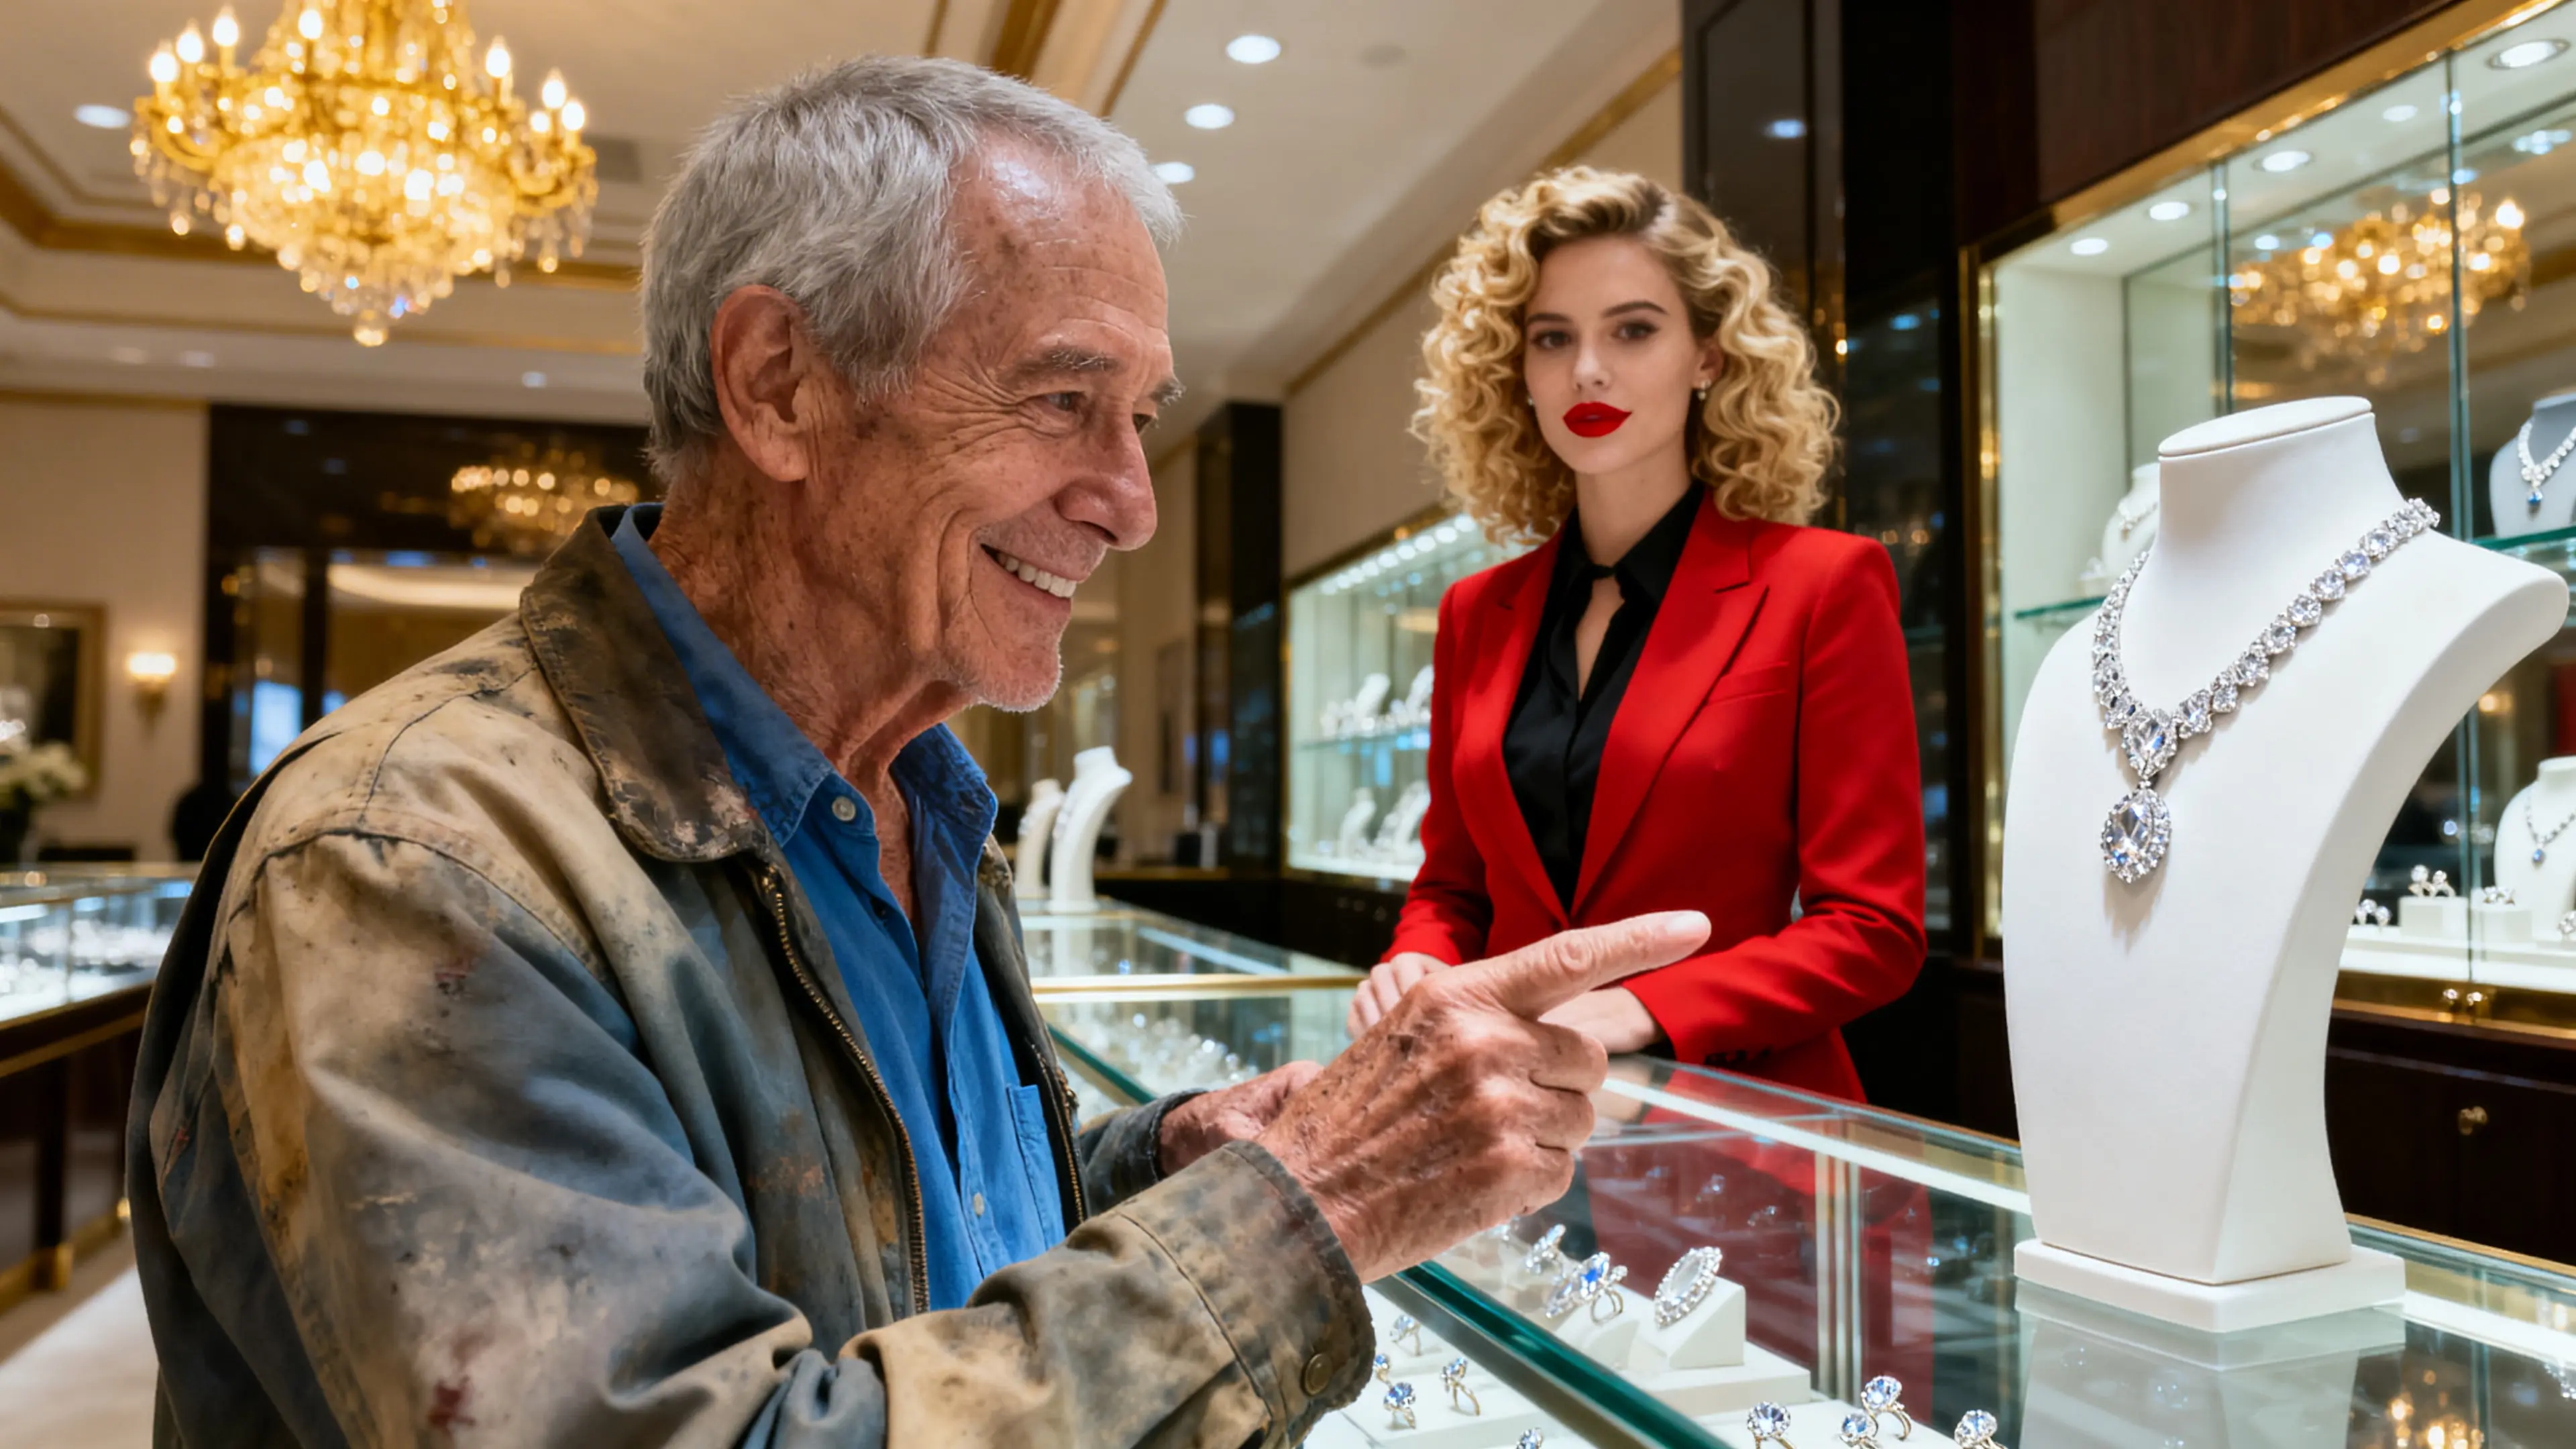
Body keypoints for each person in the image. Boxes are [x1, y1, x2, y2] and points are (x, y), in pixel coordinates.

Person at [123, 60, 1712, 1448]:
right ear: (780, 385)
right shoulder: (416, 870)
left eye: (1141, 413)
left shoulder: (913, 796)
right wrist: (1319, 1205)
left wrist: (1167, 1162)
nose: (1130, 499)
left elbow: (888, 1253)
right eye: (1061, 397)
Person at [1348, 168, 1926, 1102]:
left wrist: (1642, 1007)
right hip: (1505, 1130)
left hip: (1738, 1135)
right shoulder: (1474, 615)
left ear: (1709, 355)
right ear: (1519, 373)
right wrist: (1414, 964)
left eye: (1633, 329)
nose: (1587, 370)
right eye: (1552, 338)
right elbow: (1453, 889)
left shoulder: (1823, 585)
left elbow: (1871, 928)